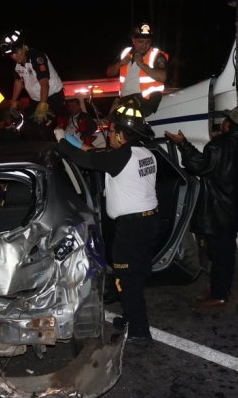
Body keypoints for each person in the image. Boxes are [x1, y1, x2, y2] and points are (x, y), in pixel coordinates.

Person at [57, 97, 158, 344]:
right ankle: (132, 317)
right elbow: (95, 153)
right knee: (137, 274)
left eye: (112, 131)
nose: (109, 135)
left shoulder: (119, 158)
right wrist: (73, 141)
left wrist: (61, 142)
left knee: (126, 279)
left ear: (123, 135)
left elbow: (87, 160)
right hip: (150, 222)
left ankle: (140, 332)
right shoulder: (144, 152)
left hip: (131, 228)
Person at [165, 106, 238, 307]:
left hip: (217, 210)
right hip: (235, 208)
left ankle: (219, 294)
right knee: (226, 251)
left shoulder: (219, 145)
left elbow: (198, 165)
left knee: (218, 254)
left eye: (225, 120)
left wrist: (183, 144)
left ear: (229, 124)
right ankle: (221, 288)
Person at [0, 29, 65, 139]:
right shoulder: (18, 65)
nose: (14, 56)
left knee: (43, 129)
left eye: (16, 52)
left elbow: (44, 84)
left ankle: (54, 151)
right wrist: (13, 101)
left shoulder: (37, 57)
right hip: (35, 100)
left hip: (53, 97)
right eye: (11, 54)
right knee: (26, 128)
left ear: (23, 46)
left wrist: (43, 104)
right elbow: (18, 81)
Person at [106, 22, 169, 116]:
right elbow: (109, 73)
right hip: (126, 100)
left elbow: (162, 77)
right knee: (112, 124)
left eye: (147, 42)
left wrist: (141, 64)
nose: (144, 45)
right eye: (140, 41)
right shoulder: (125, 53)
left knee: (122, 125)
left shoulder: (157, 55)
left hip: (144, 101)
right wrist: (120, 64)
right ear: (133, 40)